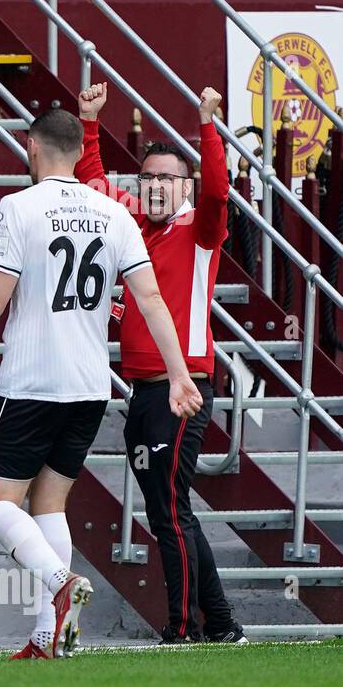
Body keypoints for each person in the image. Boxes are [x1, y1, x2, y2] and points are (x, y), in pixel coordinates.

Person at [0, 109, 203, 659]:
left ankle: (60, 580)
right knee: (49, 504)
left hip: (33, 379)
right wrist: (179, 373)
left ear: (30, 146)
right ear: (81, 150)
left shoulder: (18, 207)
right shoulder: (114, 211)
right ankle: (46, 635)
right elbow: (150, 300)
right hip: (89, 383)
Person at [76, 82, 246, 645]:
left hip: (184, 387)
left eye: (165, 178)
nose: (153, 186)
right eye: (146, 178)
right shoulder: (131, 229)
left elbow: (220, 192)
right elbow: (93, 187)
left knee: (170, 512)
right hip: (143, 392)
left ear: (185, 186)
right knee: (168, 512)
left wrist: (207, 125)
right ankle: (219, 625)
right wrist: (91, 124)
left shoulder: (200, 230)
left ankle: (181, 627)